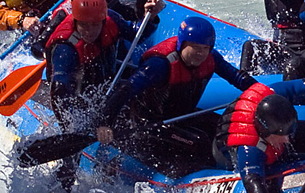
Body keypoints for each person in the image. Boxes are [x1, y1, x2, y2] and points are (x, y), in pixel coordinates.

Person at [97, 16, 257, 176]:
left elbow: (236, 77)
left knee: (226, 127)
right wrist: (105, 123)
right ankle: (199, 176)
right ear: (181, 45)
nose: (200, 53)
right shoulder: (160, 65)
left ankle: (238, 166)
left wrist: (262, 92)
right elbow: (126, 89)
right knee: (199, 141)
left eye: (205, 48)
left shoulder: (211, 57)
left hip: (182, 116)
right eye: (194, 47)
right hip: (149, 124)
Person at [44, 0, 162, 193]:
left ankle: (123, 162)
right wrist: (87, 123)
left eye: (94, 24)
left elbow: (136, 34)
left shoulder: (111, 20)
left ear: (102, 19)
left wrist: (150, 17)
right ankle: (62, 186)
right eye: (84, 25)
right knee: (74, 145)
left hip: (105, 85)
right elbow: (61, 92)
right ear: (75, 22)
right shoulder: (66, 47)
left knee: (130, 107)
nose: (89, 30)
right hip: (73, 98)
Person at [30, 0, 157, 59]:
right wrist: (48, 55)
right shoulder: (63, 14)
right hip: (80, 63)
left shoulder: (105, 4)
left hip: (112, 58)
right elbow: (38, 45)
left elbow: (136, 16)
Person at [213, 86, 299, 193]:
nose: (287, 140)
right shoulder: (250, 149)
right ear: (265, 132)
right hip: (225, 153)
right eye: (282, 135)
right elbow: (252, 181)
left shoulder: (273, 100)